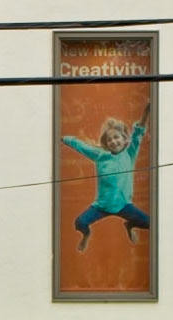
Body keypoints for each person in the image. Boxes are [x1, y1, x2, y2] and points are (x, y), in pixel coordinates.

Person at [63, 102, 151, 248]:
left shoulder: (129, 153)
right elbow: (81, 146)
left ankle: (129, 225)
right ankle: (86, 234)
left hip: (123, 205)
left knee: (150, 223)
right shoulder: (100, 155)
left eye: (116, 137)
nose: (113, 141)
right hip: (102, 206)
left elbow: (138, 133)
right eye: (109, 140)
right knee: (80, 223)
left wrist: (147, 112)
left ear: (124, 139)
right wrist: (63, 139)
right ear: (106, 143)